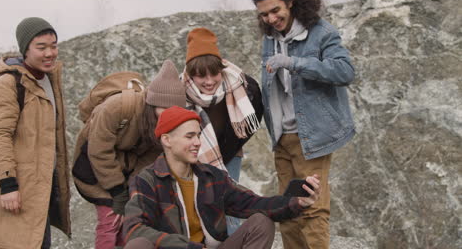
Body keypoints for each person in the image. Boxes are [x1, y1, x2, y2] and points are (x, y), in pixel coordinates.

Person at [123, 106, 321, 249]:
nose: (197, 143)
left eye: (198, 135)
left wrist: (297, 202)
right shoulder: (146, 180)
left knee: (262, 222)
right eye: (189, 136)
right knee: (138, 245)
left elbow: (254, 203)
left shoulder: (211, 177)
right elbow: (134, 229)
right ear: (167, 140)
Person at [251, 0, 356, 248]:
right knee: (287, 212)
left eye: (275, 10)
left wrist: (295, 64)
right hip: (282, 138)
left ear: (291, 1)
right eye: (264, 14)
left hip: (311, 138)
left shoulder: (321, 32)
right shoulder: (270, 38)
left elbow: (345, 72)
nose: (271, 19)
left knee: (312, 210)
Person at [72, 60, 186, 249]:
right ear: (152, 102)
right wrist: (117, 192)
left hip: (125, 171)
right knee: (110, 220)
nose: (168, 115)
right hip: (94, 167)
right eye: (164, 109)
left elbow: (147, 161)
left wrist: (132, 192)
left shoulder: (166, 127)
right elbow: (99, 150)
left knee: (130, 222)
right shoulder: (118, 106)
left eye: (174, 111)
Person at [0, 17, 71, 249]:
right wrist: (8, 185)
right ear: (25, 49)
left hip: (41, 189)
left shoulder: (48, 79)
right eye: (41, 47)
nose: (50, 53)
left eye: (54, 45)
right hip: (16, 188)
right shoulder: (8, 83)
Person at [182, 27, 263, 234]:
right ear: (191, 75)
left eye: (214, 74)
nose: (209, 82)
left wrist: (224, 155)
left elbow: (253, 120)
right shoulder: (181, 94)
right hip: (194, 159)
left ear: (221, 69)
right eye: (201, 76)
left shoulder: (241, 85)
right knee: (199, 209)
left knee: (229, 205)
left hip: (230, 155)